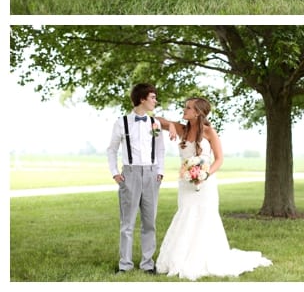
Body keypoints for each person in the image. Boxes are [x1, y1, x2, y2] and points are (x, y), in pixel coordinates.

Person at [154, 97, 272, 279]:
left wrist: (205, 175)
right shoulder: (182, 129)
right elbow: (156, 119)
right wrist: (170, 125)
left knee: (204, 218)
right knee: (185, 215)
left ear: (198, 112)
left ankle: (202, 259)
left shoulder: (209, 132)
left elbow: (219, 159)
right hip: (185, 184)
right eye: (185, 107)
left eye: (188, 108)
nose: (184, 110)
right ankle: (180, 259)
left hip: (206, 184)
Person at [106, 82, 165, 274]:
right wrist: (115, 172)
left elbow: (160, 150)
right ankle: (125, 264)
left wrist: (160, 172)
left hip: (151, 174)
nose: (155, 100)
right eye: (153, 97)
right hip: (129, 174)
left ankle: (147, 264)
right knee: (127, 223)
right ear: (142, 99)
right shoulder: (121, 122)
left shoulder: (154, 123)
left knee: (149, 222)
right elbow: (112, 150)